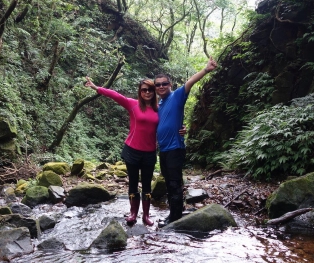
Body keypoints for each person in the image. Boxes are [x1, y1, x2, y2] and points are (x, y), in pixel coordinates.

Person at [84, 77, 159, 226]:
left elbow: (170, 122)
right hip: (132, 150)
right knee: (132, 183)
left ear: (154, 91)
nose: (147, 92)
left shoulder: (160, 109)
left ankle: (146, 216)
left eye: (150, 89)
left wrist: (181, 129)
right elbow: (115, 95)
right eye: (144, 89)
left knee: (146, 185)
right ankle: (133, 213)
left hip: (150, 152)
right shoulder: (133, 104)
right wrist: (96, 88)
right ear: (140, 91)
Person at [155, 57, 217, 227]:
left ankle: (174, 218)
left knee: (174, 183)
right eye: (158, 85)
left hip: (175, 148)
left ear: (170, 84)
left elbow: (190, 82)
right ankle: (176, 211)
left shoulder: (177, 96)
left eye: (164, 83)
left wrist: (206, 69)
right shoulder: (159, 105)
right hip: (164, 150)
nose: (161, 86)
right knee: (169, 182)